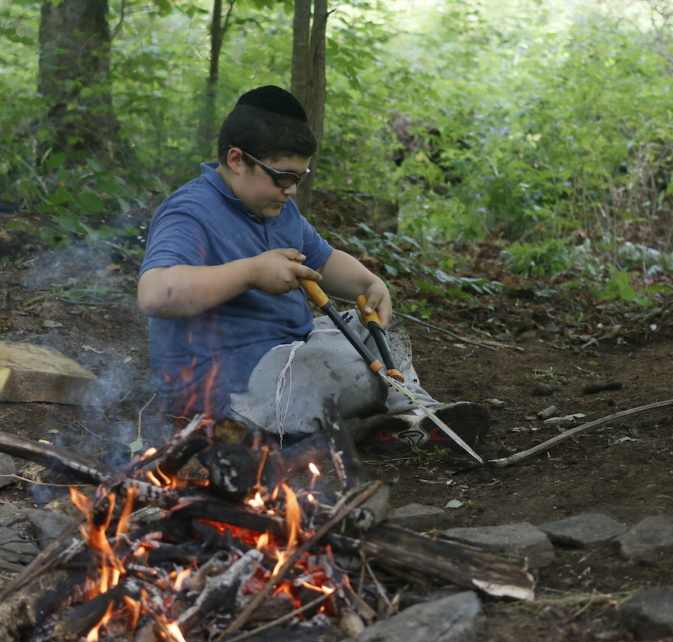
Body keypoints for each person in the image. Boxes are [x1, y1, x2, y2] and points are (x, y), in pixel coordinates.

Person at [137, 85, 489, 451]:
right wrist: (251, 272)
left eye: (299, 178)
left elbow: (324, 260)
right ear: (237, 160)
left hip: (289, 354)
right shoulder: (190, 211)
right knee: (332, 365)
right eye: (283, 176)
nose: (291, 190)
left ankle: (413, 416)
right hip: (224, 383)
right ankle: (356, 422)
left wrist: (369, 284)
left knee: (373, 328)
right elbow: (153, 294)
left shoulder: (276, 206)